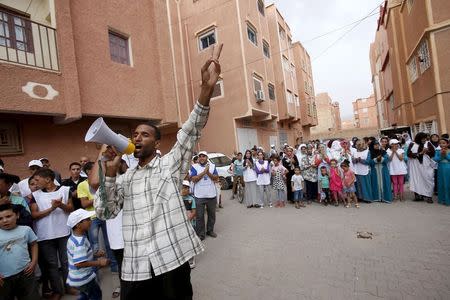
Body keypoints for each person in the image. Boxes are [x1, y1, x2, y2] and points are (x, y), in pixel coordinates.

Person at [90, 44, 222, 300]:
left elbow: (190, 130)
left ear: (157, 143)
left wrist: (206, 90)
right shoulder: (124, 177)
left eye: (145, 134)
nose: (137, 138)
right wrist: (109, 174)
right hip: (136, 267)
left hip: (171, 260)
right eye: (135, 134)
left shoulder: (170, 164)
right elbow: (104, 212)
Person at [30, 168, 74, 300]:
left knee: (66, 262)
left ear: (48, 179)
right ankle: (57, 290)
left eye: (37, 180)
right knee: (52, 264)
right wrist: (52, 208)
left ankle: (69, 286)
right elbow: (34, 215)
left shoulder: (65, 190)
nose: (35, 183)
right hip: (45, 235)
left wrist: (61, 205)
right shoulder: (35, 195)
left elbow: (71, 208)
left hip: (63, 232)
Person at [78, 162, 118, 272]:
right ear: (88, 172)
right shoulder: (82, 185)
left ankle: (114, 266)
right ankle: (94, 269)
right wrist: (99, 197)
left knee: (109, 241)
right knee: (94, 245)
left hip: (106, 215)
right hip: (91, 218)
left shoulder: (104, 182)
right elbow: (84, 204)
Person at [66, 209, 109, 300]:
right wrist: (99, 263)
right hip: (84, 278)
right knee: (95, 295)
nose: (90, 221)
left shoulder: (73, 238)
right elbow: (79, 263)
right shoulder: (80, 243)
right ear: (78, 225)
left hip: (77, 277)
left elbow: (80, 255)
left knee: (85, 294)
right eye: (88, 219)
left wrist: (95, 254)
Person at [0, 203, 40, 300]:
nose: (5, 220)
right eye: (0, 219)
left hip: (26, 273)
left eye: (8, 216)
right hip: (3, 278)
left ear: (17, 215)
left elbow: (34, 244)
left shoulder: (26, 230)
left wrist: (34, 262)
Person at [190, 151, 219, 240]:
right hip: (199, 196)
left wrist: (208, 173)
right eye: (200, 156)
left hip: (211, 195)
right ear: (198, 158)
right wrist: (203, 172)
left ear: (207, 158)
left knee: (211, 215)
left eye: (204, 156)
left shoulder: (212, 166)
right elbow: (194, 179)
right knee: (200, 216)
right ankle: (201, 234)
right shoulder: (194, 167)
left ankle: (210, 230)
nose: (202, 158)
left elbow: (216, 178)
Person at [407, 132, 435, 203]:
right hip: (415, 165)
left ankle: (429, 196)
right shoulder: (412, 144)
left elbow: (433, 153)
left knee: (428, 179)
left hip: (426, 165)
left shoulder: (428, 144)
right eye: (422, 138)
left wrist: (427, 151)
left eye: (425, 138)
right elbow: (409, 154)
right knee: (416, 180)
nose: (424, 140)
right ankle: (418, 196)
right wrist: (420, 153)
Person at [181, 180, 197, 268]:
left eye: (187, 188)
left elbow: (194, 212)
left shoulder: (191, 199)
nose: (185, 190)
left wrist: (188, 220)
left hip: (190, 223)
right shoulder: (177, 200)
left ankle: (191, 258)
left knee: (190, 241)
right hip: (180, 225)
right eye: (183, 188)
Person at [433, 138, 450, 205]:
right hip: (440, 168)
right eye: (440, 143)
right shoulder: (437, 151)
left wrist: (445, 154)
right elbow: (435, 159)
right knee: (441, 183)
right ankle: (443, 199)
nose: (442, 144)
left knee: (448, 183)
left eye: (443, 143)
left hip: (448, 168)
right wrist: (441, 156)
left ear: (447, 144)